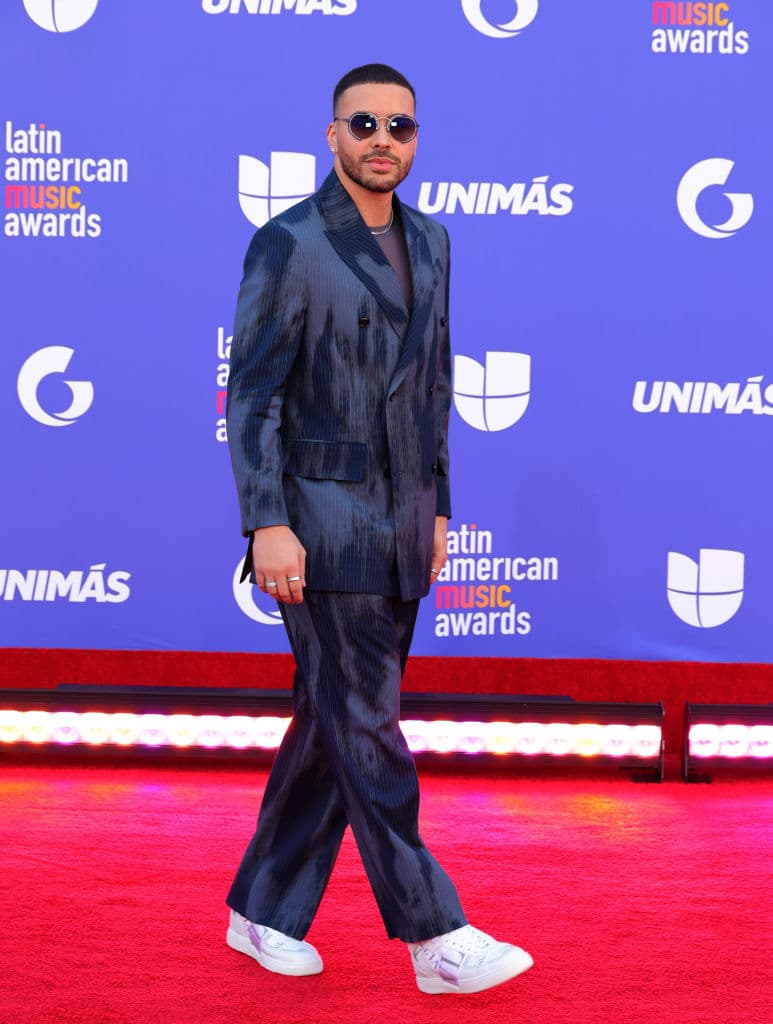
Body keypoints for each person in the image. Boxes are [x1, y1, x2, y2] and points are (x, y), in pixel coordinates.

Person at [224, 63, 533, 995]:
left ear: (414, 137)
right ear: (332, 136)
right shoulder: (287, 242)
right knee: (367, 726)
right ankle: (434, 936)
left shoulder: (433, 241)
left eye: (398, 125)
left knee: (333, 722)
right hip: (315, 524)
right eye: (363, 123)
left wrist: (436, 505)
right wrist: (266, 521)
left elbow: (433, 386)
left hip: (399, 526)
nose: (381, 139)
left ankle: (261, 908)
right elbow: (253, 397)